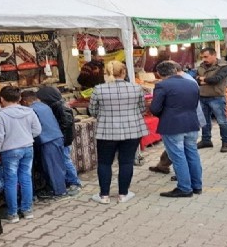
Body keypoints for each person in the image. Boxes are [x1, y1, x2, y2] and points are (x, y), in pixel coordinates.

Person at [89, 61, 148, 204]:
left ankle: (104, 196)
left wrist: (104, 116)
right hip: (132, 130)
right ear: (124, 72)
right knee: (126, 162)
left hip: (106, 130)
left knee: (104, 163)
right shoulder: (136, 88)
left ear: (107, 73)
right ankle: (123, 194)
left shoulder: (99, 89)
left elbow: (92, 111)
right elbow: (142, 108)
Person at [150, 61, 203, 198]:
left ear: (159, 74)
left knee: (178, 156)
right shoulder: (192, 83)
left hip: (173, 125)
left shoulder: (161, 85)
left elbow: (155, 109)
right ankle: (196, 185)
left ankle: (185, 188)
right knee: (192, 154)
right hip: (191, 123)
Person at [0, 86, 42, 223]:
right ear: (19, 98)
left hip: (10, 151)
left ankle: (13, 214)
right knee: (26, 178)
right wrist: (25, 137)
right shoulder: (29, 111)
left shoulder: (1, 116)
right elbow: (37, 130)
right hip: (27, 148)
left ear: (1, 99)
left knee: (11, 181)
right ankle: (27, 210)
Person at [20, 90, 67, 200]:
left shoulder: (31, 110)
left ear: (25, 101)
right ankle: (58, 188)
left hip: (47, 139)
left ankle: (59, 191)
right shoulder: (43, 106)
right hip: (56, 137)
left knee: (52, 167)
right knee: (57, 165)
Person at [36, 86, 81, 196]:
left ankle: (74, 182)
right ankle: (68, 181)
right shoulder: (55, 105)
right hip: (62, 138)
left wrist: (58, 133)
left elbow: (66, 122)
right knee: (63, 160)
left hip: (64, 139)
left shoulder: (59, 106)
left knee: (65, 159)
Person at [195, 47, 227, 152]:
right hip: (202, 96)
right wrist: (205, 80)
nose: (204, 59)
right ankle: (206, 140)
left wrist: (203, 79)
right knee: (204, 121)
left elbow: (216, 79)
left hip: (217, 97)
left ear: (214, 55)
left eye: (206, 57)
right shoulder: (201, 66)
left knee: (222, 121)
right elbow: (195, 79)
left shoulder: (223, 66)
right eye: (202, 57)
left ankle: (226, 142)